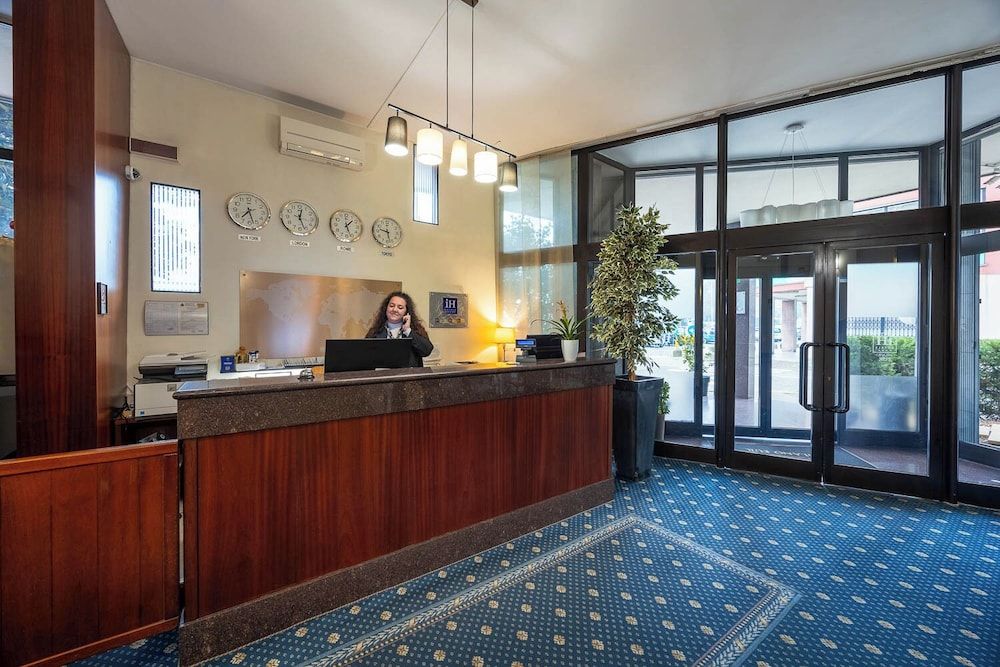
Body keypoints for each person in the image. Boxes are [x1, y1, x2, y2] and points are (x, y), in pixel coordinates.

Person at [365, 291, 434, 367]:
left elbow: (427, 351)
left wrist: (408, 331)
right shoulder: (375, 332)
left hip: (409, 374)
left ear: (406, 312)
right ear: (386, 308)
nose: (395, 310)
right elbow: (366, 356)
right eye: (391, 306)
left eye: (400, 307)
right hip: (382, 373)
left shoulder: (415, 330)